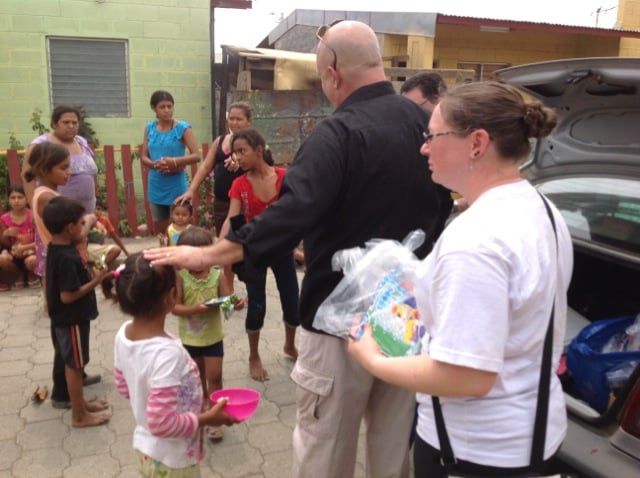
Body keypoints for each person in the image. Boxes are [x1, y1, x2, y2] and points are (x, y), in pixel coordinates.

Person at [146, 20, 452, 478]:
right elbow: (443, 204)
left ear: (331, 72)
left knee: (325, 447)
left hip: (337, 325)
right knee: (393, 445)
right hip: (404, 315)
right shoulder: (425, 127)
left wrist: (209, 255)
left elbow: (292, 213)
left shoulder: (338, 133)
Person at [348, 81, 574, 477]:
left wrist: (370, 358)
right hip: (531, 435)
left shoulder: (475, 238)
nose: (424, 148)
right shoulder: (543, 209)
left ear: (477, 143)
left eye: (432, 136)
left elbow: (466, 376)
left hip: (474, 454)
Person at [105, 253, 238, 475]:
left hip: (146, 448)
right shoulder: (169, 353)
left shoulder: (124, 333)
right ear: (171, 297)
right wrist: (208, 418)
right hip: (171, 460)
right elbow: (162, 424)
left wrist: (149, 397)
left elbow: (123, 385)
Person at [218, 128, 300, 382]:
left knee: (293, 304)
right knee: (256, 307)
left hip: (283, 251)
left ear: (259, 149)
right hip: (253, 253)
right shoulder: (239, 184)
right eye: (235, 153)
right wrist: (218, 249)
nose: (238, 158)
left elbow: (300, 211)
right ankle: (254, 355)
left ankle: (289, 345)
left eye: (242, 151)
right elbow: (233, 219)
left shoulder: (286, 178)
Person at [24, 142, 99, 408]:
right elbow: (73, 232)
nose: (69, 173)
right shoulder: (48, 198)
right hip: (60, 262)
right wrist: (88, 222)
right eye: (64, 168)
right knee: (65, 333)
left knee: (68, 336)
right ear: (45, 170)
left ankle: (76, 375)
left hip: (58, 259)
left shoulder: (48, 192)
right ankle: (64, 392)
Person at [43, 196, 111, 427]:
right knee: (74, 367)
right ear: (69, 227)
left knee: (75, 364)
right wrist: (97, 280)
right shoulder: (65, 258)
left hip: (68, 318)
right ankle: (79, 415)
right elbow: (68, 295)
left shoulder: (58, 248)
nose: (84, 227)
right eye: (81, 224)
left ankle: (81, 404)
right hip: (70, 319)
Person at [173, 227, 231, 440]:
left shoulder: (218, 276)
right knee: (196, 380)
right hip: (190, 340)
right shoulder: (180, 278)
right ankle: (202, 408)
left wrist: (235, 304)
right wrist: (195, 309)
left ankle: (216, 416)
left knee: (215, 377)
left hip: (213, 337)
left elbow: (228, 303)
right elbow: (174, 308)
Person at [174, 101, 253, 237]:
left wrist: (240, 159)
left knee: (242, 241)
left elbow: (262, 164)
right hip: (221, 202)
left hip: (244, 203)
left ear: (248, 121)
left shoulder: (254, 143)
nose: (234, 123)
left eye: (239, 119)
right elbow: (205, 167)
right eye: (231, 119)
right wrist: (191, 190)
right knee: (222, 239)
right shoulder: (220, 141)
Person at [139, 90, 200, 236]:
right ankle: (164, 254)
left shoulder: (183, 128)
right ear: (154, 108)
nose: (167, 110)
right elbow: (143, 156)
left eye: (169, 106)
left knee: (182, 227)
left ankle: (185, 255)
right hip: (156, 183)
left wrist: (174, 161)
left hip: (176, 184)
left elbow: (196, 155)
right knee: (161, 229)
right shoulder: (150, 128)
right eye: (162, 107)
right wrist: (155, 165)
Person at [22, 105, 98, 214]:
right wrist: (34, 208)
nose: (71, 126)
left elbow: (90, 175)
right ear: (54, 124)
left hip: (86, 211)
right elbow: (28, 177)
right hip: (57, 212)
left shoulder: (82, 142)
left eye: (74, 122)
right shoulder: (41, 145)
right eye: (66, 122)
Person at [0, 184, 38, 290]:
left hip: (33, 253)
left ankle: (32, 275)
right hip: (15, 256)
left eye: (20, 197)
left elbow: (41, 240)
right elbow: (6, 244)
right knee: (2, 259)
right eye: (13, 197)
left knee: (32, 261)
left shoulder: (33, 216)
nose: (16, 201)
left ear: (26, 199)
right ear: (8, 200)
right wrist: (5, 234)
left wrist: (24, 248)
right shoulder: (4, 219)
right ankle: (20, 275)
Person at [87, 198, 129, 270]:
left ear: (102, 211)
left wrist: (126, 252)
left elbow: (115, 237)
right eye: (94, 209)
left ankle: (97, 268)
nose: (96, 211)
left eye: (99, 209)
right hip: (88, 249)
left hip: (100, 250)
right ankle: (97, 271)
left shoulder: (105, 220)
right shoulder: (86, 220)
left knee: (116, 250)